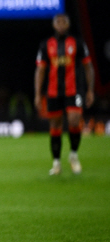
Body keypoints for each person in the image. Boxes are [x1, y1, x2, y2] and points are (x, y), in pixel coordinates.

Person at [34, 13, 94, 176]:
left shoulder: (78, 43)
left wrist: (90, 90)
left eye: (64, 22)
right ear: (54, 25)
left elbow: (88, 67)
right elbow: (40, 70)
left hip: (74, 90)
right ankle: (56, 163)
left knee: (74, 120)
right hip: (53, 91)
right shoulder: (46, 44)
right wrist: (38, 94)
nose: (61, 25)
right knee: (55, 125)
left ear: (68, 24)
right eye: (58, 22)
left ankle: (73, 155)